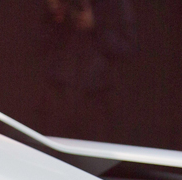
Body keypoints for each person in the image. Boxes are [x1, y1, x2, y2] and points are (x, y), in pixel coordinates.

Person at [40, 0, 138, 141]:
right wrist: (56, 15)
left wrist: (96, 26)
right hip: (59, 92)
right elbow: (39, 43)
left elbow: (128, 48)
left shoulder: (115, 5)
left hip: (97, 98)